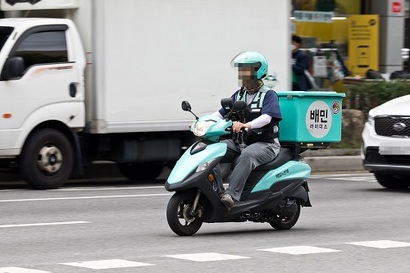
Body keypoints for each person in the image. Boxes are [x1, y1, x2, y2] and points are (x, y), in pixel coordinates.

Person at [213, 51, 282, 208]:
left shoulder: (269, 95)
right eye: (241, 70)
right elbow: (220, 113)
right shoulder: (239, 95)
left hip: (266, 144)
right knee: (212, 151)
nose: (242, 74)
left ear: (258, 71)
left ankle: (232, 195)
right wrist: (203, 122)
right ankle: (218, 192)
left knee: (247, 155)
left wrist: (246, 125)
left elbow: (267, 118)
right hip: (241, 142)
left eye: (246, 70)